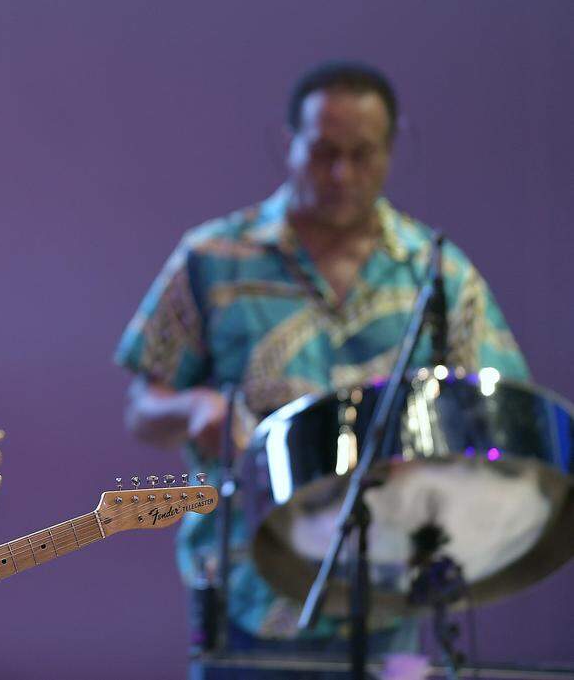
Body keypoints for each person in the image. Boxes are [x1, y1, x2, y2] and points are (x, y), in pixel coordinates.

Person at [114, 61, 529, 678]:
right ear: (290, 144)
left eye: (363, 155)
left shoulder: (438, 272)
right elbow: (144, 407)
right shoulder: (214, 258)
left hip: (393, 593)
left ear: (392, 148)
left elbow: (499, 412)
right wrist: (197, 408)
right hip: (250, 595)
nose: (342, 175)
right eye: (324, 153)